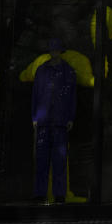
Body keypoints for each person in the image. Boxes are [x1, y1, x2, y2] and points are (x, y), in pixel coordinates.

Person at [31, 38, 76, 203]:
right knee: (42, 159)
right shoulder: (42, 70)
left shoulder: (68, 72)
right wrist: (35, 116)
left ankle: (59, 194)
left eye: (56, 50)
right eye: (52, 50)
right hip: (44, 120)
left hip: (59, 120)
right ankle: (40, 193)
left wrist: (70, 117)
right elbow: (35, 94)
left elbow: (72, 97)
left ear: (60, 51)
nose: (54, 52)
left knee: (59, 160)